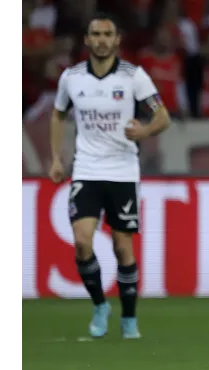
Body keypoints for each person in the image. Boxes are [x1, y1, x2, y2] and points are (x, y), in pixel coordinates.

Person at [48, 13, 171, 339]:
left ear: (117, 40)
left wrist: (143, 129)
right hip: (86, 169)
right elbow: (58, 115)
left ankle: (129, 318)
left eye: (107, 34)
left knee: (121, 247)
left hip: (122, 171)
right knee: (82, 240)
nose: (101, 39)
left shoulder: (134, 76)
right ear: (86, 40)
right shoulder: (71, 78)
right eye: (95, 34)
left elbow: (163, 116)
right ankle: (100, 305)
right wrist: (55, 158)